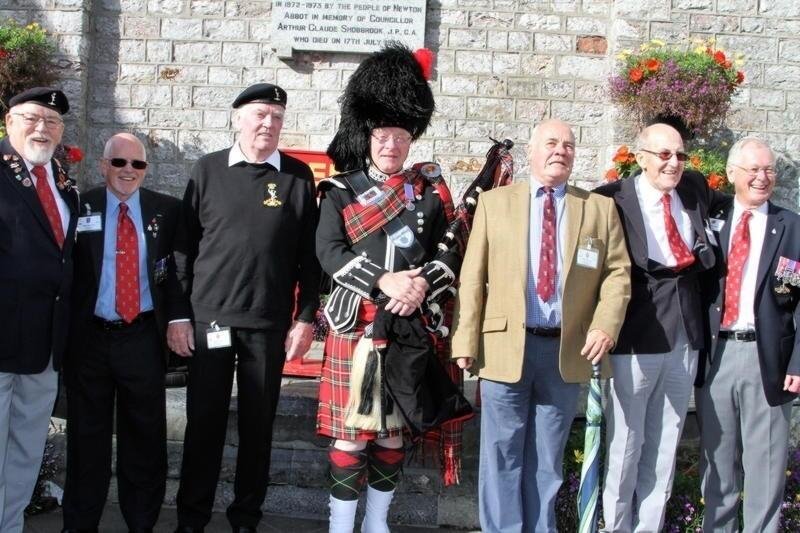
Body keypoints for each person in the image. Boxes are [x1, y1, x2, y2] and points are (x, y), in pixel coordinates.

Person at [449, 118, 631, 532]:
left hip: (564, 351)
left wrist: (605, 325)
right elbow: (473, 276)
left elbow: (618, 274)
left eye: (568, 145)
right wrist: (465, 340)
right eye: (551, 143)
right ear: (531, 151)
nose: (560, 151)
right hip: (504, 347)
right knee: (501, 454)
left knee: (547, 459)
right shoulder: (495, 203)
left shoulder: (598, 209)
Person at [316, 43, 462, 533]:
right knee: (350, 436)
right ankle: (341, 526)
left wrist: (417, 286)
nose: (391, 145)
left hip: (405, 326)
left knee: (392, 435)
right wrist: (383, 280)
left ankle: (376, 523)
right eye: (382, 135)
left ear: (411, 138)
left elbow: (449, 254)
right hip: (355, 323)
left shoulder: (430, 195)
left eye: (401, 136)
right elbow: (329, 252)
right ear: (368, 135)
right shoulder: (340, 191)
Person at [170, 83, 320, 533]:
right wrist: (179, 315)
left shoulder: (297, 177)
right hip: (210, 320)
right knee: (204, 424)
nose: (268, 124)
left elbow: (309, 257)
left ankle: (246, 519)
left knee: (258, 427)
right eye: (260, 114)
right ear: (237, 118)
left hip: (267, 324)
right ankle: (191, 519)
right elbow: (183, 250)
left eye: (277, 116)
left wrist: (306, 317)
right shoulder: (207, 169)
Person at [60, 133, 187, 532]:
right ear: (103, 166)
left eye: (138, 164)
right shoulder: (80, 206)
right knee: (86, 440)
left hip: (142, 338)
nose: (128, 170)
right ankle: (79, 525)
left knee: (145, 440)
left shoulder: (168, 211)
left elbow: (178, 272)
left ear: (146, 170)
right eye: (119, 162)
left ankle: (141, 524)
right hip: (90, 341)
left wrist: (179, 319)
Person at [594, 123, 717, 532]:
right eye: (664, 154)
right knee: (626, 445)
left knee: (665, 445)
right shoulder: (611, 200)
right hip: (634, 335)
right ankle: (615, 527)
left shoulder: (694, 189)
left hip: (685, 336)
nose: (673, 163)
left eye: (680, 155)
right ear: (641, 157)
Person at [696, 137, 800, 533]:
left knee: (766, 466)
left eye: (769, 169)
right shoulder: (709, 217)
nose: (762, 177)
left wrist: (798, 363)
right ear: (731, 173)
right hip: (716, 356)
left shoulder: (792, 227)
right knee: (717, 465)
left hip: (768, 359)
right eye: (753, 169)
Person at [0, 87, 77, 532]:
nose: (42, 128)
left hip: (45, 347)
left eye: (52, 122)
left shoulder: (62, 183)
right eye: (32, 118)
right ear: (9, 122)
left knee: (26, 453)